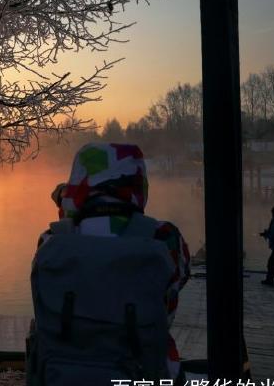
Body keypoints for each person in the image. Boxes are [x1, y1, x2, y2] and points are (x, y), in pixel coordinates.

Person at [38, 143, 191, 379]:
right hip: (145, 372)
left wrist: (67, 202)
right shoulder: (165, 238)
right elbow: (180, 278)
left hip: (66, 375)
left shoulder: (51, 241)